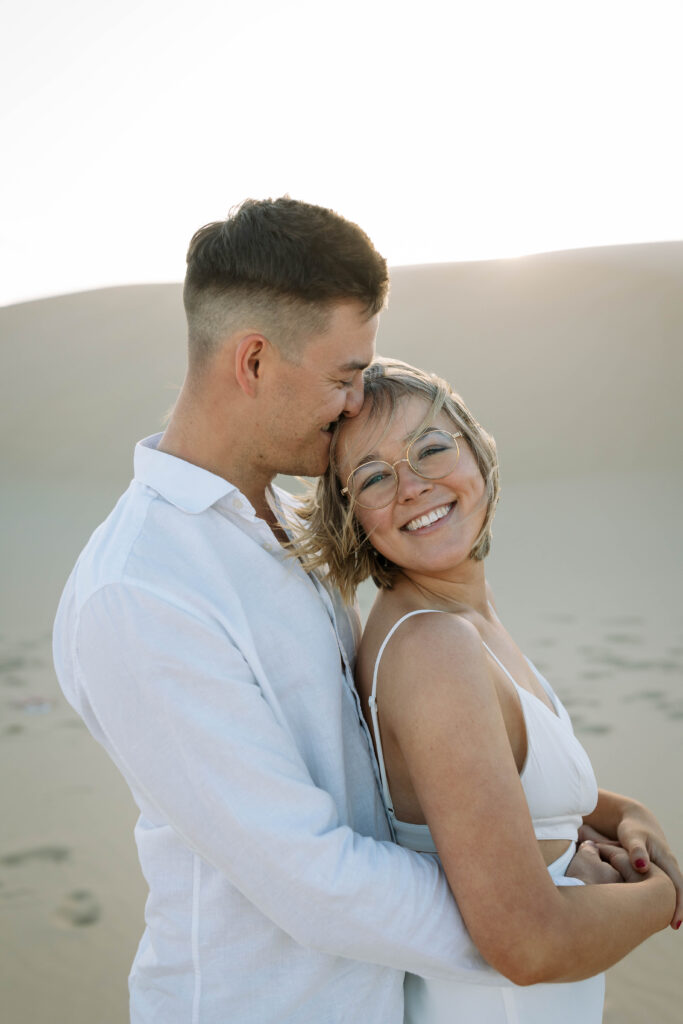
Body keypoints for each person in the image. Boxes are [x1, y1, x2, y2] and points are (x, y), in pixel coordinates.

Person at [52, 199, 677, 1024]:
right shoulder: (139, 591)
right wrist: (544, 905)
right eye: (345, 376)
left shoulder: (278, 526)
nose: (355, 404)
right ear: (252, 362)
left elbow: (389, 766)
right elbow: (311, 877)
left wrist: (589, 820)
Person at [295, 356, 682, 1022]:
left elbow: (494, 787)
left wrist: (620, 814)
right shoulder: (431, 648)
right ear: (351, 515)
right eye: (374, 477)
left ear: (476, 451)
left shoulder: (462, 620)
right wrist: (665, 897)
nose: (412, 485)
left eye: (431, 448)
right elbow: (526, 946)